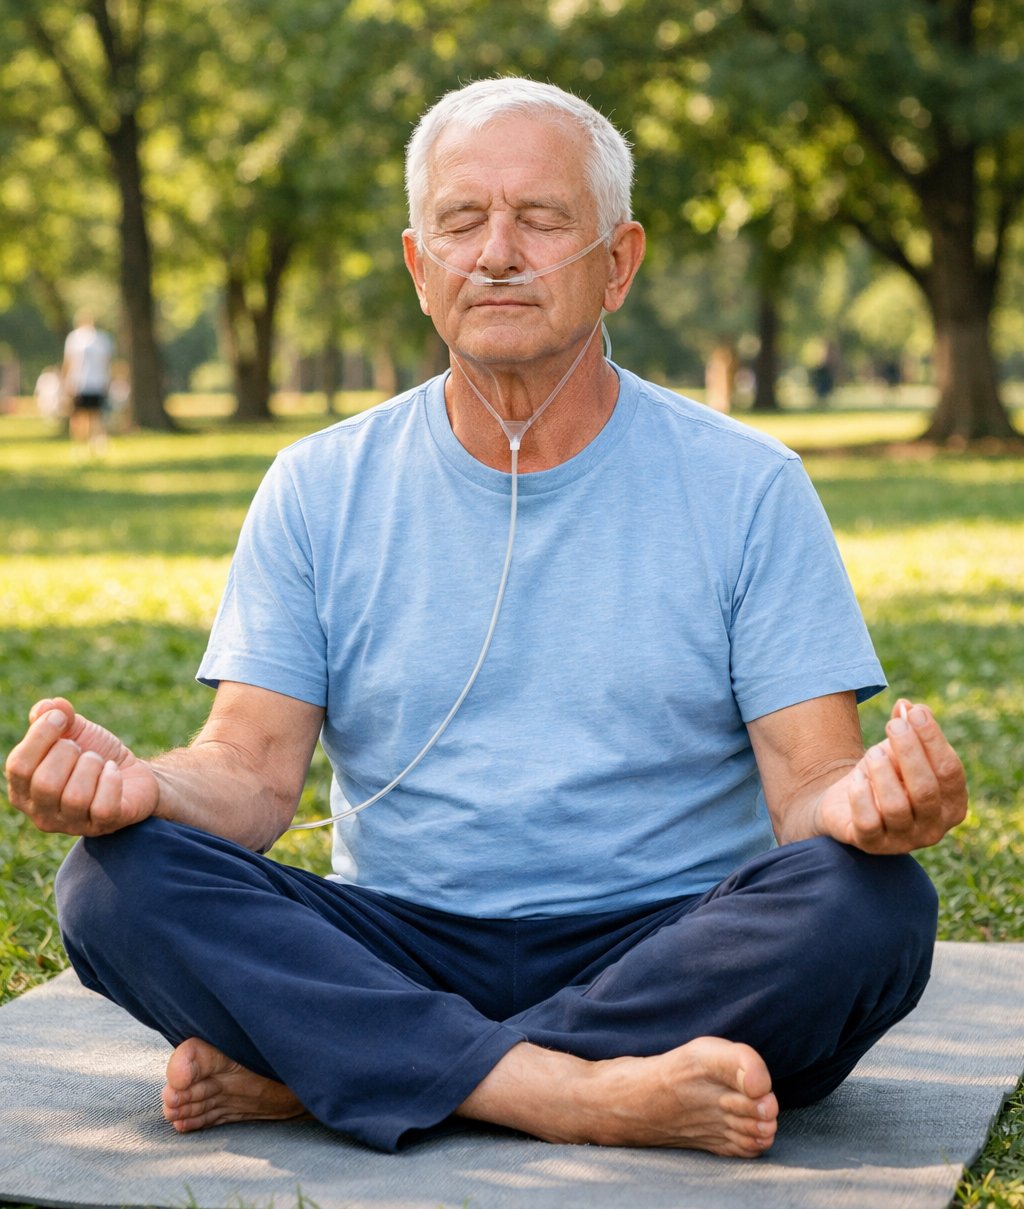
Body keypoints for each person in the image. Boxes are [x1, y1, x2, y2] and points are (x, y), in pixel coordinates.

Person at [5, 79, 967, 1160]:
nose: (496, 252)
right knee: (114, 881)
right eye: (461, 222)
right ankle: (578, 1093)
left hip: (666, 941)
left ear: (619, 262)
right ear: (421, 269)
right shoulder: (318, 484)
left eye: (541, 219)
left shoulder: (748, 483)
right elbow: (251, 771)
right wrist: (147, 788)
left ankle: (339, 1070)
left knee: (870, 908)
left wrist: (877, 803)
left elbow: (808, 791)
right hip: (396, 941)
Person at [62, 310, 114, 450]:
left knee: (87, 416)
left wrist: (66, 381)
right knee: (87, 416)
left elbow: (68, 363)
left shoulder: (78, 339)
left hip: (87, 383)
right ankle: (87, 445)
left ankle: (88, 445)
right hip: (86, 383)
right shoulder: (100, 339)